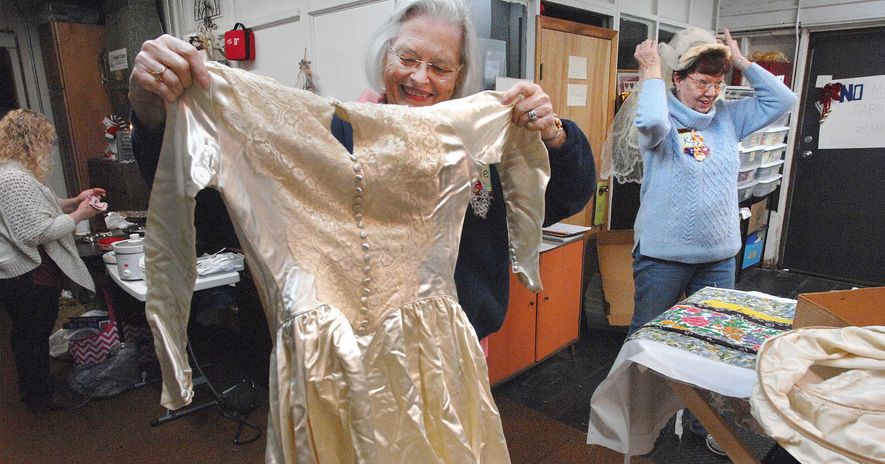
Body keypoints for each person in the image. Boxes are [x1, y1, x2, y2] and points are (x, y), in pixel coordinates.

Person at [127, 0, 595, 342]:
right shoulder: (332, 138)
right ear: (385, 54)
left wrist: (556, 137)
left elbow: (560, 199)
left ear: (460, 74)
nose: (420, 78)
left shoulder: (482, 146)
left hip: (458, 356)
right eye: (408, 58)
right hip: (355, 362)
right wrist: (154, 119)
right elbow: (221, 217)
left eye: (440, 66)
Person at [619, 28, 795, 454]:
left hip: (718, 257)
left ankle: (702, 424)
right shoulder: (660, 117)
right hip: (663, 255)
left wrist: (741, 61)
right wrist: (651, 71)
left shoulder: (728, 118)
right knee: (647, 341)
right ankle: (635, 421)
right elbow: (651, 121)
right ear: (678, 79)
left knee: (712, 349)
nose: (710, 93)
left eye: (717, 84)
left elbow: (783, 101)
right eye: (701, 82)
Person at [0, 109, 105, 410]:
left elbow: (42, 206)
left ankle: (35, 386)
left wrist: (74, 201)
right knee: (32, 334)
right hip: (26, 274)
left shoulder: (14, 172)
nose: (49, 147)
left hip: (20, 273)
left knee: (27, 332)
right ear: (30, 140)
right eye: (46, 140)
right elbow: (35, 231)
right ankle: (40, 396)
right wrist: (80, 215)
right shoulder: (14, 178)